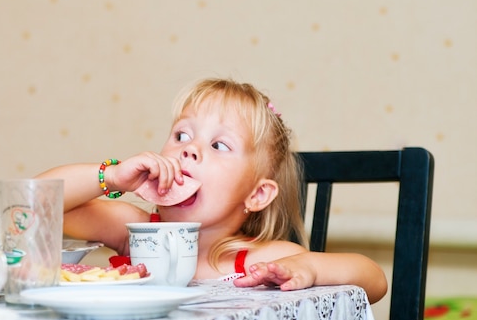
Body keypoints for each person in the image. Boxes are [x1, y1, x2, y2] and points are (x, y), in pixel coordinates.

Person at [36, 78, 388, 303]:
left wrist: (307, 267)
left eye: (219, 145)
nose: (189, 150)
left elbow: (373, 279)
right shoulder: (137, 233)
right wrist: (111, 177)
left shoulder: (257, 261)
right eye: (181, 136)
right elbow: (37, 203)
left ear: (257, 195)